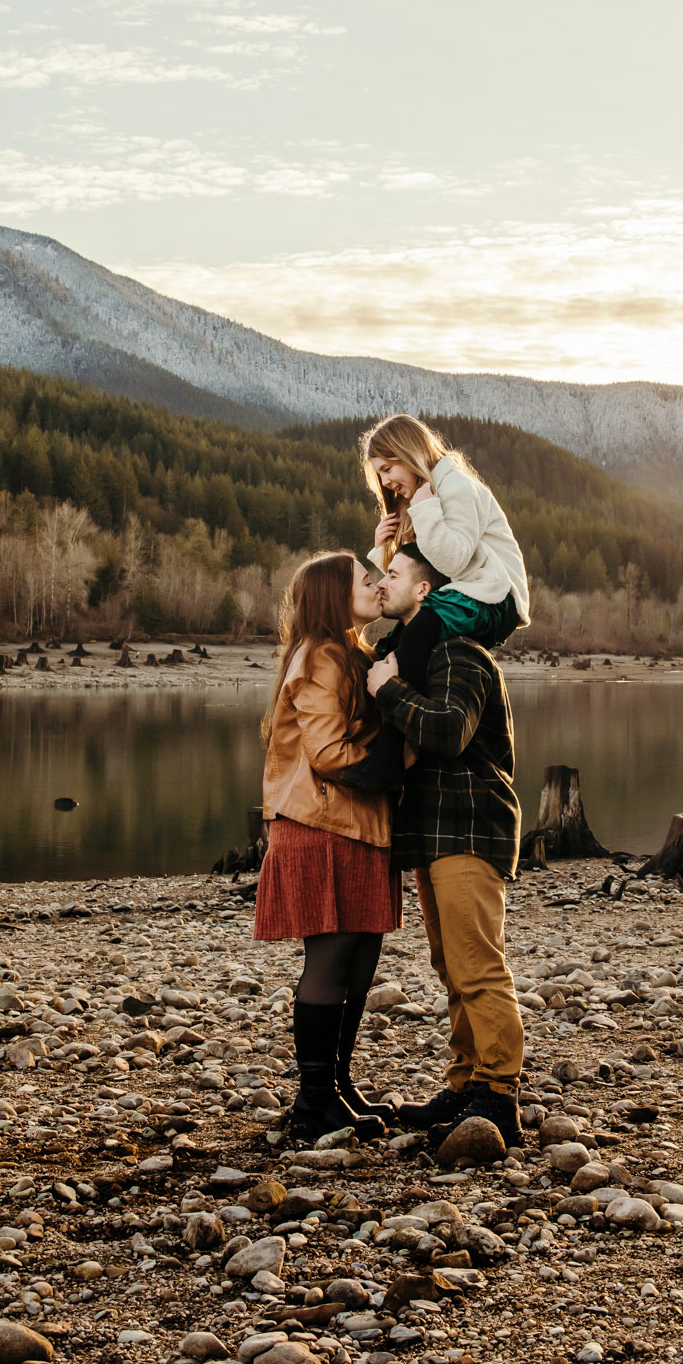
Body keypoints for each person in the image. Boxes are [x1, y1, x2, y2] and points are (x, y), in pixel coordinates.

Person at [365, 542, 525, 1147]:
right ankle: (464, 1083)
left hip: (468, 824)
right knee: (449, 964)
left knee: (478, 965)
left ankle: (499, 1094)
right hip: (433, 832)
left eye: (394, 574)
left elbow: (450, 732)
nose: (382, 583)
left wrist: (388, 693)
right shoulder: (416, 652)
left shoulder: (459, 651)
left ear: (426, 591)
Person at [256, 550, 398, 1140]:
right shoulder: (320, 657)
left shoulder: (349, 650)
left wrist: (385, 536)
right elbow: (328, 753)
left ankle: (336, 1086)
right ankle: (313, 1100)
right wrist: (397, 760)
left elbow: (386, 578)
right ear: (334, 596)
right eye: (365, 580)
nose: (377, 584)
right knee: (332, 961)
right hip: (320, 825)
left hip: (357, 825)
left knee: (360, 962)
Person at [361, 415, 531, 690]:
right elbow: (421, 573)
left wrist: (426, 509)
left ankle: (405, 715)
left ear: (409, 453)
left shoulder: (456, 487)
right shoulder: (424, 497)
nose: (385, 480)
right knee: (389, 647)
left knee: (419, 631)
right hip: (467, 593)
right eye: (379, 474)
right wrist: (383, 551)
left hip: (496, 599)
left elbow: (452, 561)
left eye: (388, 468)